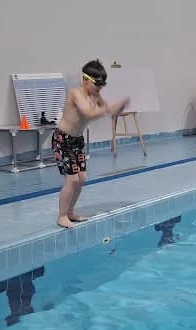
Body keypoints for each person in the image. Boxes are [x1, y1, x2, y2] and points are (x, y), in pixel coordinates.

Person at [54, 59, 130, 228]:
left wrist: (119, 107)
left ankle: (70, 212)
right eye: (97, 84)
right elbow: (88, 113)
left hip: (77, 140)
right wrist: (108, 108)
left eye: (102, 85)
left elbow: (108, 110)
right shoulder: (76, 93)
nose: (99, 89)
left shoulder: (95, 95)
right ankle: (61, 216)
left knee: (81, 178)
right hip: (62, 139)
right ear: (85, 79)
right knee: (72, 180)